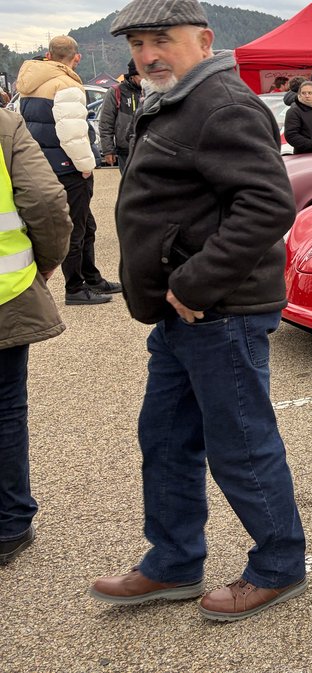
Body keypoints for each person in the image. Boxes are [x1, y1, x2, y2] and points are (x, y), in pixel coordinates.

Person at [88, 0, 307, 621]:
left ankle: (279, 563)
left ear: (204, 40)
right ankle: (174, 561)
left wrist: (194, 282)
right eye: (137, 44)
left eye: (162, 39)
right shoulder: (174, 101)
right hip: (181, 316)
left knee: (239, 444)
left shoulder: (222, 105)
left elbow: (267, 206)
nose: (149, 54)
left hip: (220, 312)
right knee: (164, 438)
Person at [0, 109, 72, 566]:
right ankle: (9, 523)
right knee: (5, 410)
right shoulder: (4, 125)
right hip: (4, 294)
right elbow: (46, 202)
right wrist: (45, 263)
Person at [15, 36, 121, 305]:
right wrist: (85, 166)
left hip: (41, 164)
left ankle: (91, 277)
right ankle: (75, 287)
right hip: (68, 166)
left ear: (48, 55)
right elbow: (73, 133)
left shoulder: (28, 84)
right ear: (77, 57)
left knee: (86, 223)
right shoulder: (68, 83)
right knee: (77, 227)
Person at [98, 59, 143, 174]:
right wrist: (108, 151)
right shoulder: (116, 92)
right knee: (129, 187)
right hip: (125, 151)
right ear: (132, 76)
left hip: (149, 149)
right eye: (141, 75)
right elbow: (105, 123)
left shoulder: (153, 90)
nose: (145, 80)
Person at [283, 81, 312, 154]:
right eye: (303, 93)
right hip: (304, 155)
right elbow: (291, 135)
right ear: (299, 94)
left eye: (310, 93)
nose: (307, 96)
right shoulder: (294, 111)